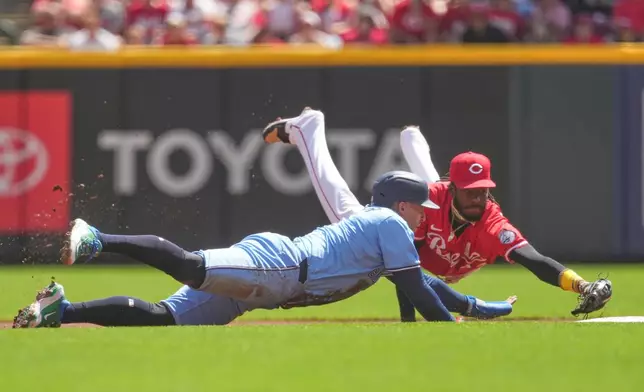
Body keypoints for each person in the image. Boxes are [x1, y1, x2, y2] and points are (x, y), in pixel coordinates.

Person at [13, 168, 512, 329]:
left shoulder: (385, 226)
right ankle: (99, 236)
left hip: (276, 288)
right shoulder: (388, 221)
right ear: (401, 203)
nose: (426, 211)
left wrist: (476, 307)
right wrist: (453, 331)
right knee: (190, 267)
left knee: (165, 319)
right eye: (420, 204)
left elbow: (421, 283)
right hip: (281, 265)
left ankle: (59, 309)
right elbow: (419, 293)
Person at [261, 108, 612, 321]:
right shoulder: (427, 202)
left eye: (484, 190)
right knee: (344, 207)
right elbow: (401, 267)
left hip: (444, 243)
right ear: (454, 186)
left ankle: (413, 140)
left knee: (433, 191)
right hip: (420, 232)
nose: (479, 197)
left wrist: (581, 285)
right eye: (471, 191)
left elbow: (535, 261)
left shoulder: (491, 221)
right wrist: (408, 320)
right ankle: (309, 130)